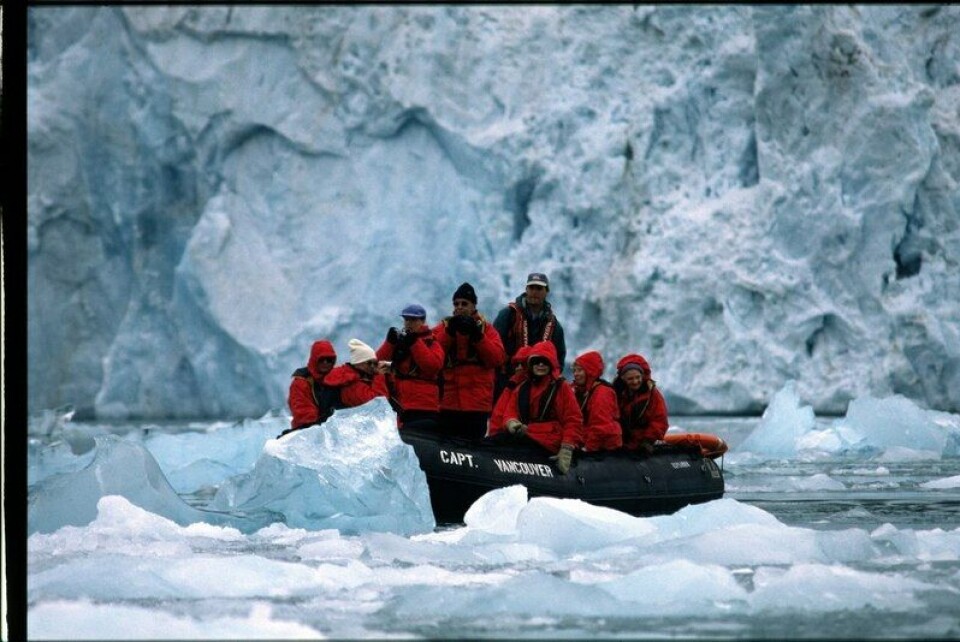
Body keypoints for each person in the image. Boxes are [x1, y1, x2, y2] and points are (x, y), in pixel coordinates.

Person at [488, 341, 583, 473]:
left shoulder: (561, 387)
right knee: (496, 441)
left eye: (545, 362)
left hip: (550, 442)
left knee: (507, 446)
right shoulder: (522, 388)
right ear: (531, 364)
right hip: (529, 435)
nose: (540, 365)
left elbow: (573, 419)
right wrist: (512, 423)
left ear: (551, 364)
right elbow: (510, 412)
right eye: (537, 362)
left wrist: (566, 448)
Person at [432, 282, 507, 439]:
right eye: (456, 303)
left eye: (464, 303)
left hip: (477, 405)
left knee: (472, 445)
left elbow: (497, 359)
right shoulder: (444, 328)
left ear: (473, 306)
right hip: (449, 404)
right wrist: (449, 333)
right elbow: (432, 356)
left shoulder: (486, 330)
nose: (459, 307)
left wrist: (478, 337)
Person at [493, 272, 566, 400]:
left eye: (539, 288)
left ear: (546, 291)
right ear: (526, 289)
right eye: (531, 288)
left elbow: (558, 359)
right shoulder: (508, 315)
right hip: (507, 384)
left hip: (539, 389)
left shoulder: (554, 325)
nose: (534, 292)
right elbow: (494, 348)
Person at [376, 304, 444, 430]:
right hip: (402, 405)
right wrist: (389, 343)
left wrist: (415, 342)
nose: (408, 323)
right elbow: (375, 365)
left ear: (422, 321)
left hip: (425, 405)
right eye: (406, 319)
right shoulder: (400, 343)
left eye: (413, 320)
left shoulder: (432, 343)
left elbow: (432, 367)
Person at [614, 353, 669, 454]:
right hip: (621, 445)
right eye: (630, 379)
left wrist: (647, 441)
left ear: (642, 376)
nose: (635, 381)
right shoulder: (616, 393)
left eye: (637, 377)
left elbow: (659, 420)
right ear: (623, 378)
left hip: (642, 444)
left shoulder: (652, 395)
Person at [285, 339, 339, 435]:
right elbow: (304, 415)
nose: (326, 363)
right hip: (306, 434)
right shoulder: (301, 383)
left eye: (329, 360)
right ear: (314, 359)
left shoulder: (338, 379)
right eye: (322, 359)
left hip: (331, 430)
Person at [571, 350, 622, 452]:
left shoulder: (602, 393)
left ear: (590, 371)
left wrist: (588, 448)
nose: (576, 374)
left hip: (603, 447)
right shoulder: (580, 390)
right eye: (574, 370)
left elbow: (601, 427)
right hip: (586, 440)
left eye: (580, 370)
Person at [322, 338, 390, 408]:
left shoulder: (355, 372)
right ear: (358, 362)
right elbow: (379, 403)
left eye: (375, 363)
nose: (373, 366)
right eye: (369, 363)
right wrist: (379, 375)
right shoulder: (351, 382)